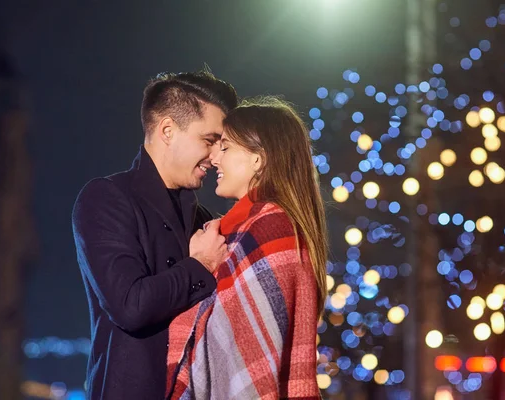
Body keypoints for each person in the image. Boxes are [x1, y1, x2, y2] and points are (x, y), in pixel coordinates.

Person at [72, 70, 238, 399]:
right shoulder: (105, 198)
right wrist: (201, 263)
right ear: (167, 130)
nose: (216, 156)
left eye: (222, 145)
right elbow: (130, 306)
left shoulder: (205, 222)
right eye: (209, 141)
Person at [167, 97, 328, 400]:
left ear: (258, 159)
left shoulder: (270, 229)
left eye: (226, 147)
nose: (215, 158)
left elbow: (245, 354)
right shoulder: (241, 232)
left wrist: (198, 262)